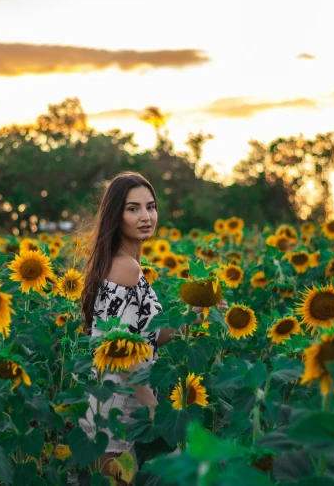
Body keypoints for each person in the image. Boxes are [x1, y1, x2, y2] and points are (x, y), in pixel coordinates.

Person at [78, 171, 226, 477]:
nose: (146, 216)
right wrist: (152, 405)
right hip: (122, 400)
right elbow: (119, 347)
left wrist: (194, 316)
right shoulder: (126, 267)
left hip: (116, 396)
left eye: (150, 206)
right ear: (115, 215)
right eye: (133, 209)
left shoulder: (123, 263)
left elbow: (148, 336)